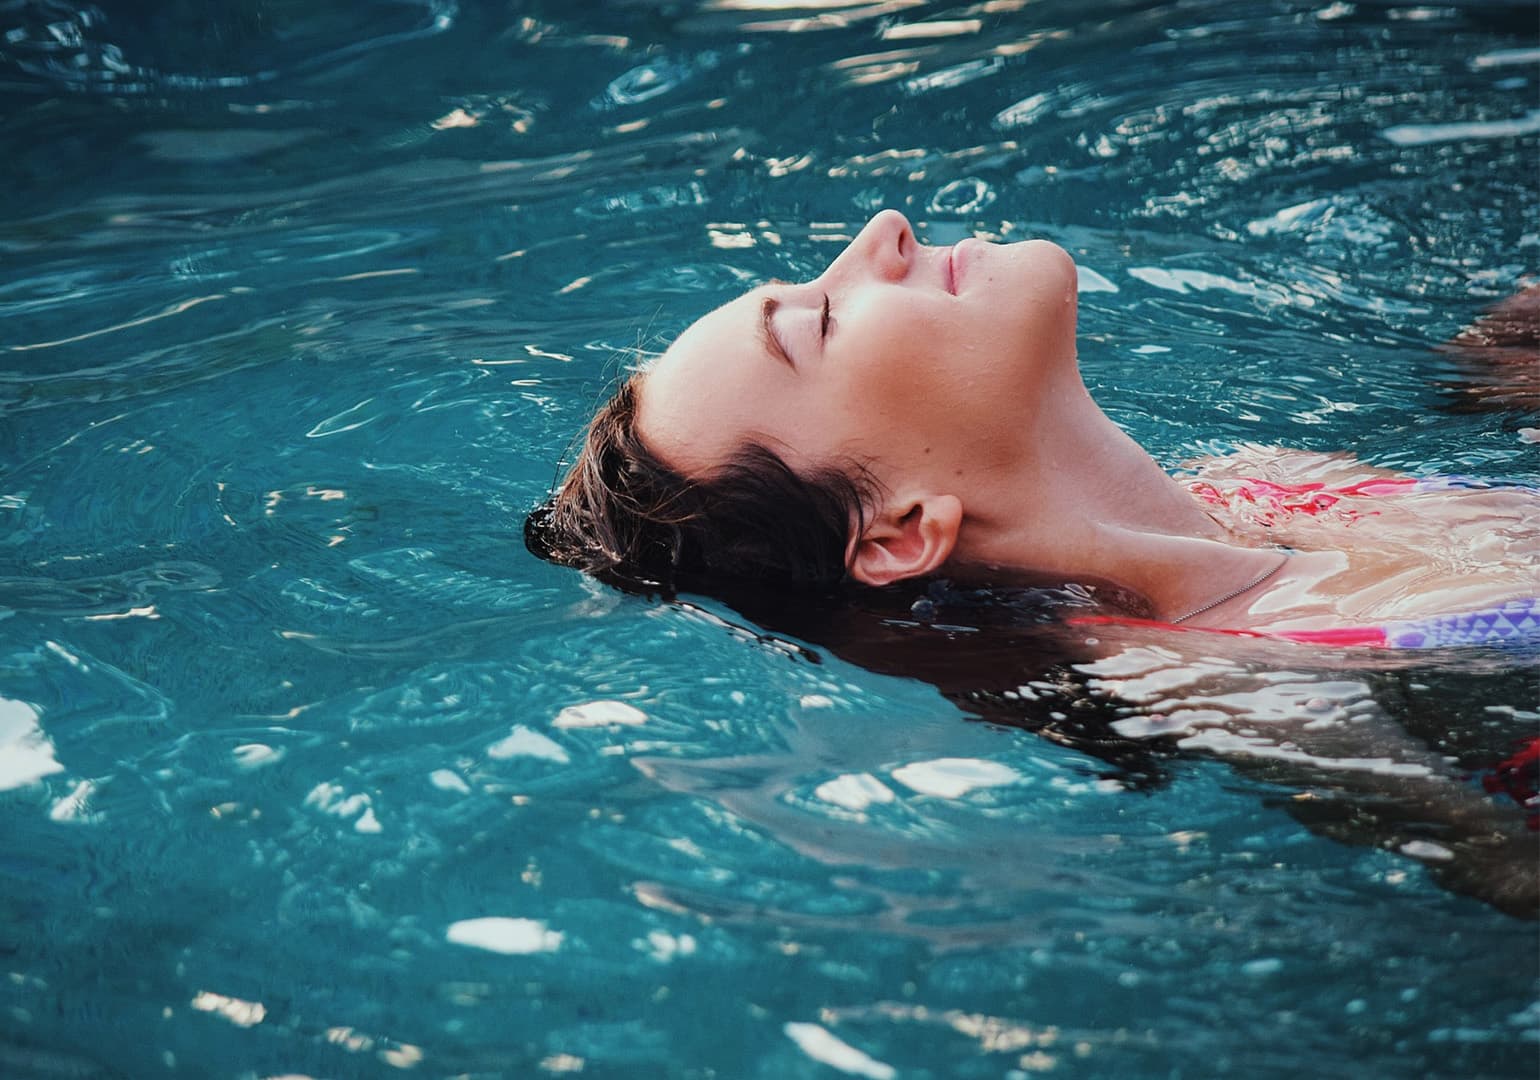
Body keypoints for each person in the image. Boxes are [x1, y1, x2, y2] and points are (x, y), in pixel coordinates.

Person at [526, 209, 1537, 650]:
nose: (883, 232)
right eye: (822, 321)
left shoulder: (1261, 483)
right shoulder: (1241, 674)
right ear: (896, 534)